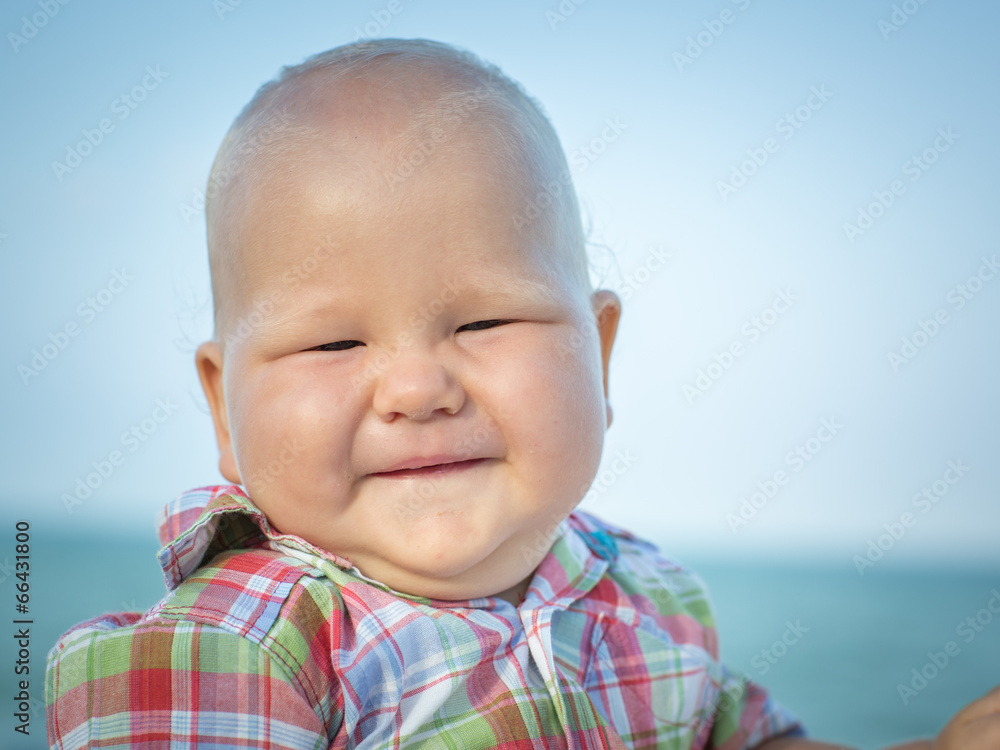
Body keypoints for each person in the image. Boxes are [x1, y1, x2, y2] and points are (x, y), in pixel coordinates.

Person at [45, 38, 998, 749]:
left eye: (486, 322)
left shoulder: (645, 597)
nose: (417, 388)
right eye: (334, 340)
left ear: (602, 354)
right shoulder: (244, 655)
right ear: (223, 408)